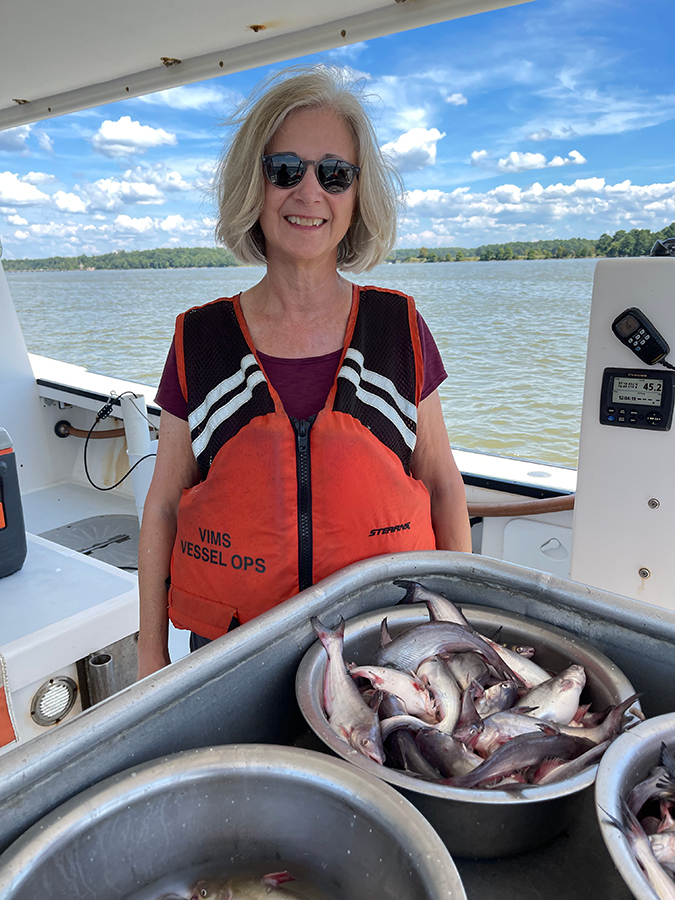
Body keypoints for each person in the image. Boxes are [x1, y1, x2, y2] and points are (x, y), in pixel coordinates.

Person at [137, 67, 471, 679]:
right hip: (230, 655)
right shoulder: (197, 341)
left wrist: (458, 635)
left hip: (384, 650)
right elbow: (162, 506)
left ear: (356, 193)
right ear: (253, 185)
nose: (309, 192)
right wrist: (151, 655)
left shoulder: (400, 327)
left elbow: (444, 486)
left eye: (334, 173)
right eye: (285, 170)